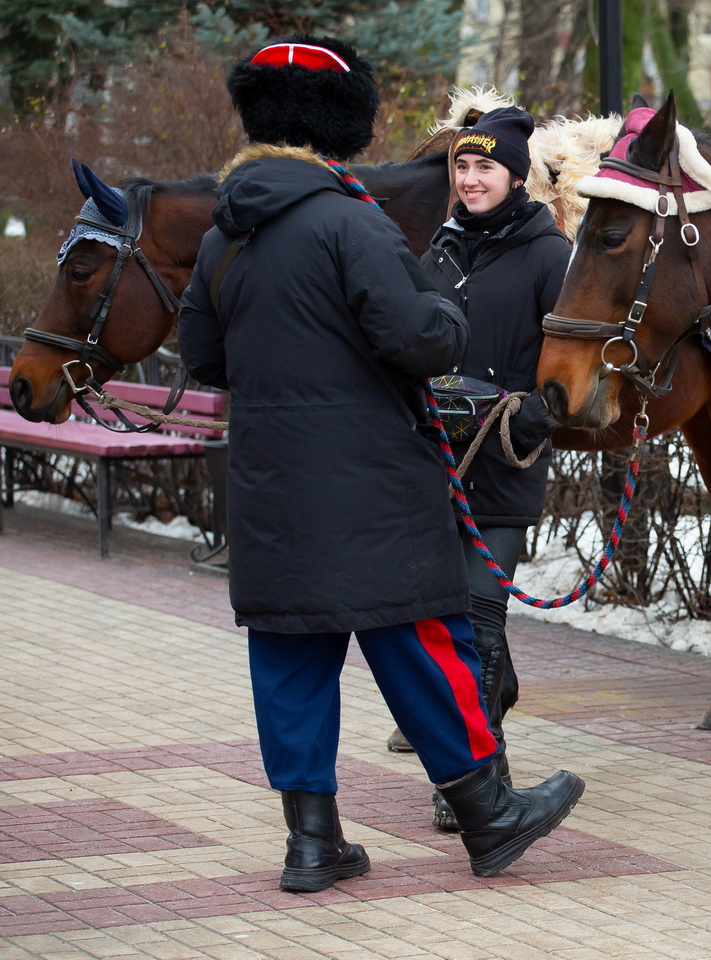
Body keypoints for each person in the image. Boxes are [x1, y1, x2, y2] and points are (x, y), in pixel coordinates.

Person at [176, 35, 583, 892]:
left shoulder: (226, 231)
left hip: (268, 488)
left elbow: (204, 357)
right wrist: (448, 318)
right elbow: (418, 335)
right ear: (338, 125)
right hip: (371, 486)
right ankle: (488, 813)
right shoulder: (348, 220)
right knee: (418, 638)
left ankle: (312, 843)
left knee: (290, 655)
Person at [402, 105, 572, 830]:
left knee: (478, 615)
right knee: (442, 620)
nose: (471, 179)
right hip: (434, 460)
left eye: (486, 168)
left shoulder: (549, 254)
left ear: (514, 176)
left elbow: (573, 367)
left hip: (504, 462)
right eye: (462, 167)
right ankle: (470, 763)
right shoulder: (436, 251)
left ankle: (482, 778)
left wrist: (537, 412)